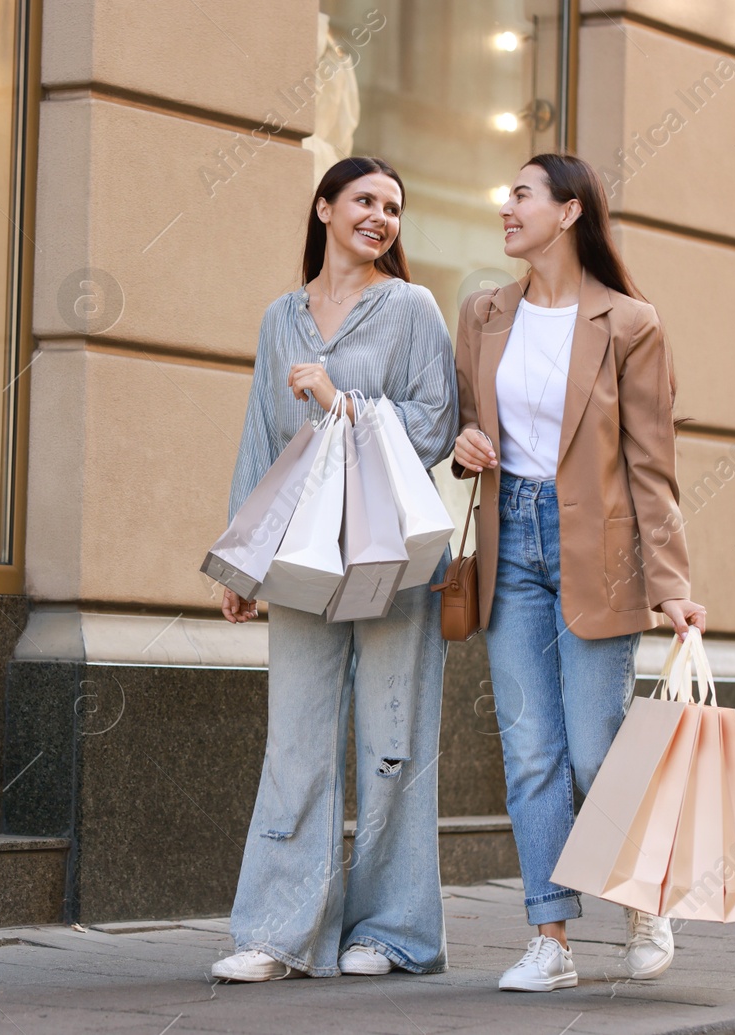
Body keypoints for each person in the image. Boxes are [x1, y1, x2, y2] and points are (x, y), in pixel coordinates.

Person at [450, 153, 708, 992]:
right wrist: (465, 447)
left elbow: (651, 467)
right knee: (529, 752)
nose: (505, 205)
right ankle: (550, 938)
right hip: (509, 546)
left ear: (567, 212)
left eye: (520, 193)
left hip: (596, 553)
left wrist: (672, 588)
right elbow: (462, 422)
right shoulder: (483, 313)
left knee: (597, 752)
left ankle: (645, 902)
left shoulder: (630, 322)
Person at [210, 157, 457, 982]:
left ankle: (389, 931)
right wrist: (241, 565)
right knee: (295, 740)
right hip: (304, 554)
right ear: (324, 208)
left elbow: (433, 424)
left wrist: (342, 401)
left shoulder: (413, 307)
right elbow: (258, 439)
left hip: (391, 555)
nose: (381, 216)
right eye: (364, 200)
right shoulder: (281, 316)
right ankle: (277, 933)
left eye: (393, 206)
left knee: (392, 741)